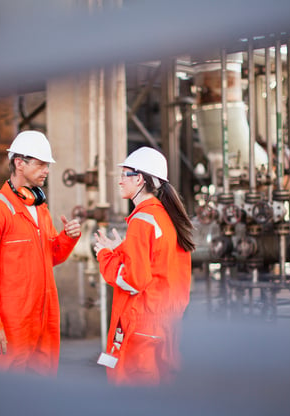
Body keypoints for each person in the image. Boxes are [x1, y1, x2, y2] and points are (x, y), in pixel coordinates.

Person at [0, 130, 81, 376]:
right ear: (19, 162)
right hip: (9, 330)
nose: (46, 170)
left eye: (47, 165)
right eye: (40, 164)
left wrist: (67, 238)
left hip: (43, 327)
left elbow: (51, 257)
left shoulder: (40, 210)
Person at [93, 146, 195, 386]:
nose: (119, 181)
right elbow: (159, 263)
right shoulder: (165, 217)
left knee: (136, 397)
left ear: (139, 179)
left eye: (123, 175)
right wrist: (122, 249)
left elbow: (133, 280)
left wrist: (106, 256)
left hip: (142, 326)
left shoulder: (141, 220)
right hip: (165, 323)